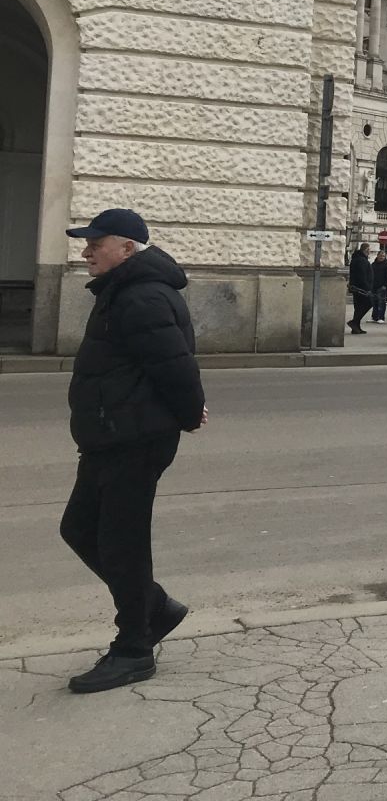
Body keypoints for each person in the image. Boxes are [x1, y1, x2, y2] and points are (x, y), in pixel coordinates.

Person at [60, 208, 207, 693]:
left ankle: (134, 648)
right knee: (79, 528)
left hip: (134, 438)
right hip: (111, 435)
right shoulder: (121, 291)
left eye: (94, 244)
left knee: (121, 542)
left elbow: (176, 365)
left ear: (126, 249)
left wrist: (189, 413)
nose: (86, 252)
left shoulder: (141, 295)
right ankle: (154, 608)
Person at [347, 242, 372, 334]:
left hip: (356, 286)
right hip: (361, 288)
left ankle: (356, 326)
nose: (370, 251)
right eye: (369, 249)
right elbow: (362, 275)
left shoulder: (357, 259)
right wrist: (367, 288)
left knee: (358, 307)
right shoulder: (361, 260)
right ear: (365, 250)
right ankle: (354, 322)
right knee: (367, 303)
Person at [370, 249, 387, 322]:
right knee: (374, 302)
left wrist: (385, 285)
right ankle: (374, 317)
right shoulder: (373, 264)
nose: (382, 257)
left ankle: (381, 317)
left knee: (381, 302)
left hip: (382, 286)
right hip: (374, 286)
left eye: (383, 256)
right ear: (377, 255)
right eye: (381, 255)